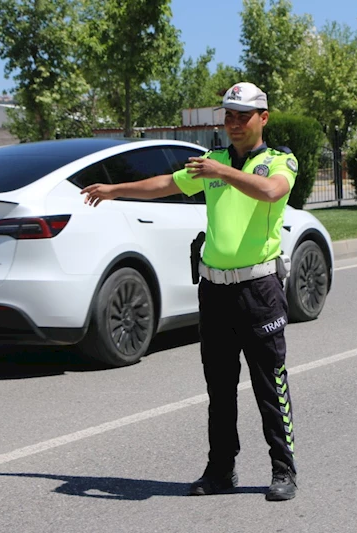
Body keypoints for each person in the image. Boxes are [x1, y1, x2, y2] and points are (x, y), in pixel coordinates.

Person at [80, 82, 299, 501]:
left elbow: (272, 191)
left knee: (269, 383)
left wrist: (223, 174)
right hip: (215, 290)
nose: (233, 124)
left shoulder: (278, 161)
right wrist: (114, 190)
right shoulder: (212, 161)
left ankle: (283, 469)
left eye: (243, 116)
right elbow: (166, 184)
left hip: (259, 288)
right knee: (219, 387)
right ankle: (221, 470)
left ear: (263, 118)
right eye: (228, 116)